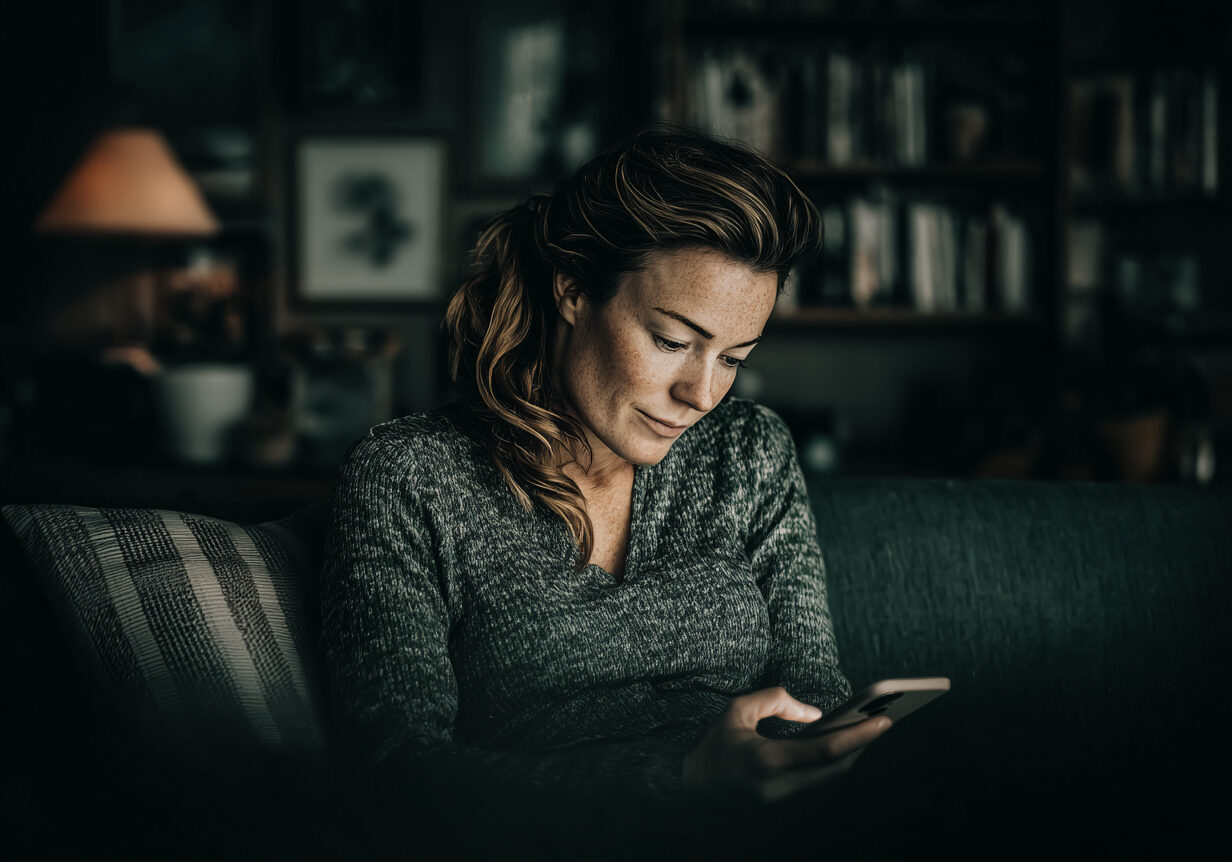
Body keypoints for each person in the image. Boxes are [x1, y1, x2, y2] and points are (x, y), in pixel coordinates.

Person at [318, 126, 894, 861]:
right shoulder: (410, 476)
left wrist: (811, 750)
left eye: (734, 359)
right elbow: (395, 777)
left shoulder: (748, 450)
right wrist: (682, 778)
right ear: (573, 288)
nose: (701, 394)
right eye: (672, 341)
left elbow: (813, 690)